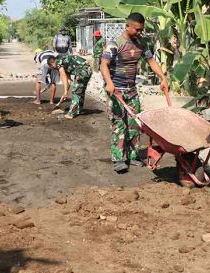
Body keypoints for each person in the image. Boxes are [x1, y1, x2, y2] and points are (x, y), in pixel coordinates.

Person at [101, 13, 168, 174]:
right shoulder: (115, 44)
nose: (139, 32)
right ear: (128, 26)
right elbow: (104, 65)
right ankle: (118, 159)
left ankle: (133, 155)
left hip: (132, 90)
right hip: (115, 90)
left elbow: (151, 62)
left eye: (141, 30)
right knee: (118, 125)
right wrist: (109, 83)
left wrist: (163, 78)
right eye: (137, 30)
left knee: (135, 124)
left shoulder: (141, 44)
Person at [48, 54, 92, 119]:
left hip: (82, 71)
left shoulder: (58, 62)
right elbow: (68, 81)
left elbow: (63, 76)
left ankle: (71, 114)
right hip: (87, 71)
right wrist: (65, 92)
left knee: (75, 92)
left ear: (52, 63)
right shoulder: (65, 63)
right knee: (80, 91)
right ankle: (78, 110)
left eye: (52, 67)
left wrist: (65, 92)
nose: (54, 68)